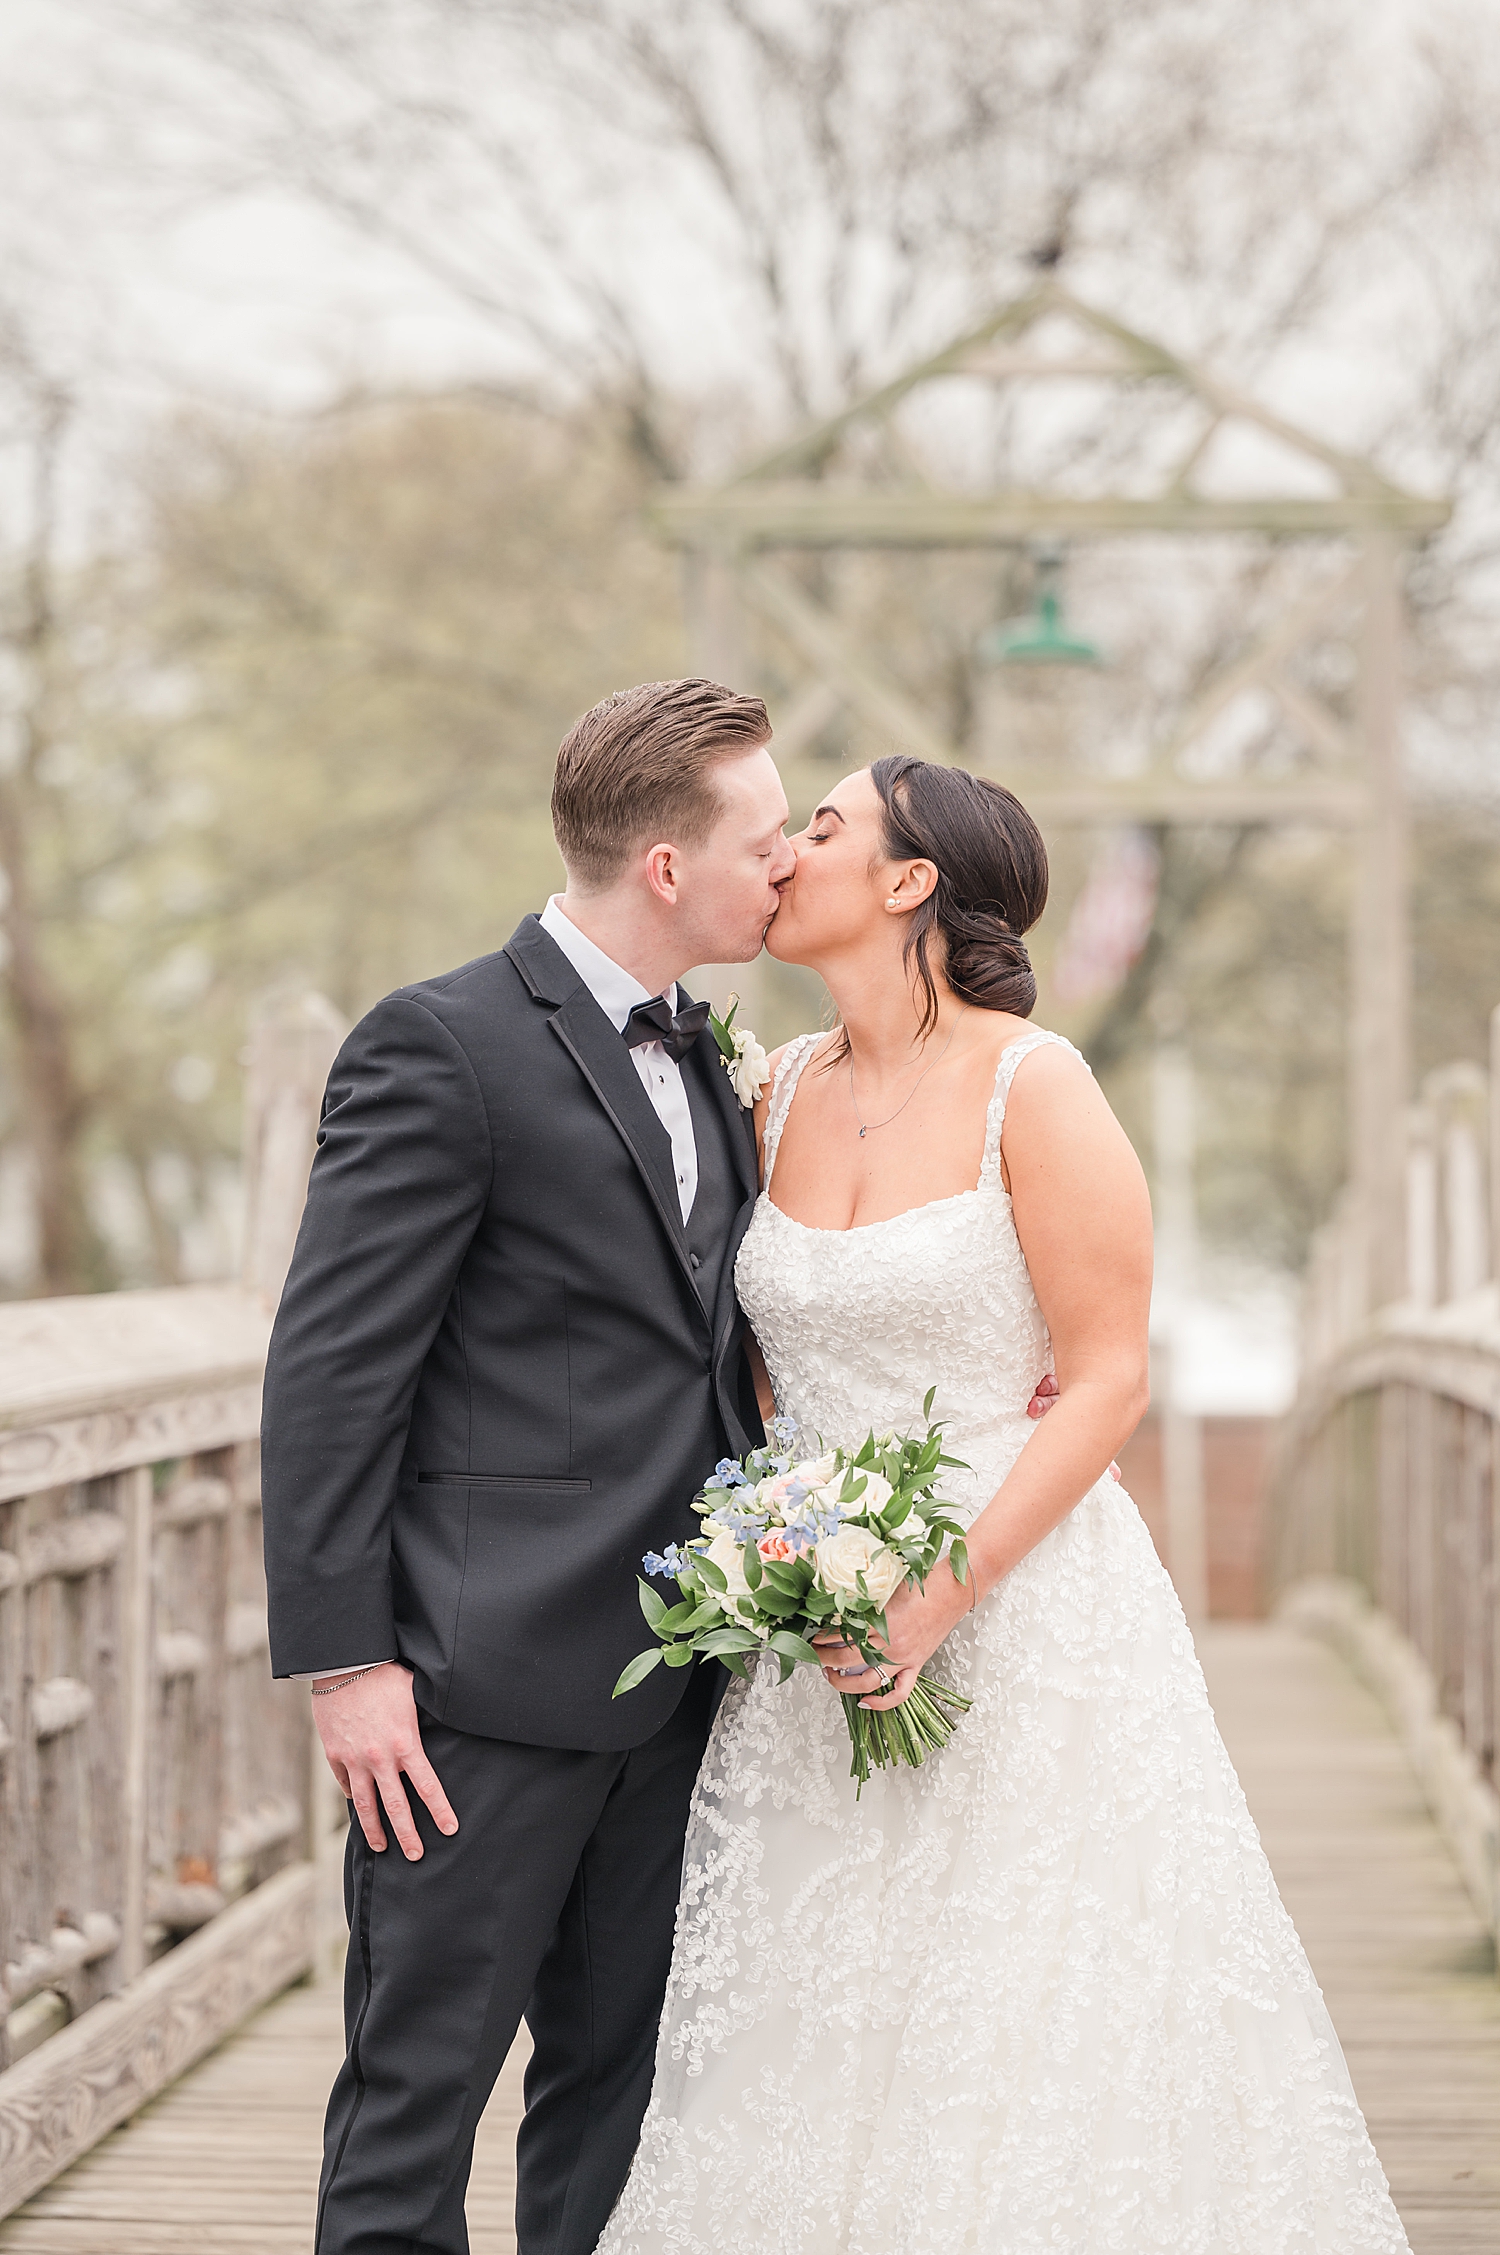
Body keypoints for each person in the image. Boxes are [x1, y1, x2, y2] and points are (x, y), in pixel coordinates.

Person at [597, 755, 1411, 2254]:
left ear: (909, 884)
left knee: (1023, 2005)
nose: (784, 854)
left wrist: (933, 1594)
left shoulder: (1038, 1085)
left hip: (1021, 1607)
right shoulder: (767, 1087)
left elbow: (1106, 1379)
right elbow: (751, 1368)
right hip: (810, 1622)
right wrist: (784, 1554)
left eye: (821, 829)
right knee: (815, 2007)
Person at [259, 678, 799, 2255]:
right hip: (469, 1697)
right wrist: (348, 1659)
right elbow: (331, 1376)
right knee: (414, 2109)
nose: (786, 868)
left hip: (682, 1683)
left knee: (617, 2113)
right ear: (665, 870)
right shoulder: (440, 1045)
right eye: (763, 841)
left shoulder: (714, 1055)